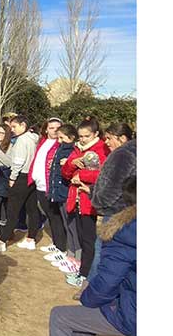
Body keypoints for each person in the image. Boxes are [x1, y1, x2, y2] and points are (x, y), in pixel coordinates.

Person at [48, 178, 135, 336]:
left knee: (59, 316)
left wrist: (87, 298)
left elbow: (108, 281)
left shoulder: (127, 233)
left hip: (133, 316)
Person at [85, 123, 136, 293]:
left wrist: (98, 201)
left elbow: (114, 185)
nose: (106, 142)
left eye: (109, 138)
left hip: (117, 212)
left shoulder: (124, 154)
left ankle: (94, 288)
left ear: (122, 138)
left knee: (104, 252)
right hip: (127, 209)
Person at [61, 118, 110, 288]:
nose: (82, 139)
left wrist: (80, 175)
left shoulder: (102, 149)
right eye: (80, 136)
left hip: (90, 200)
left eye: (86, 136)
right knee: (82, 237)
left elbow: (103, 173)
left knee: (89, 240)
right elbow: (66, 173)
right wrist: (71, 163)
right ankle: (83, 269)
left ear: (96, 134)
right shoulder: (77, 149)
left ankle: (86, 274)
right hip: (76, 200)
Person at [0, 115, 39, 252]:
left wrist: (12, 178)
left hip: (21, 176)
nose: (13, 130)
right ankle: (31, 238)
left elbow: (18, 162)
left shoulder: (22, 140)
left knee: (12, 210)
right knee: (32, 208)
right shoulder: (34, 138)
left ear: (23, 125)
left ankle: (2, 241)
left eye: (14, 127)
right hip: (31, 176)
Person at [28, 118, 67, 255]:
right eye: (51, 128)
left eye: (58, 127)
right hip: (40, 184)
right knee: (50, 215)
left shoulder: (61, 145)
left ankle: (61, 247)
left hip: (51, 186)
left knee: (55, 216)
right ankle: (57, 243)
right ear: (46, 129)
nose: (55, 130)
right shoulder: (42, 142)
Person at [45, 124, 81, 274]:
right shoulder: (61, 149)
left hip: (67, 193)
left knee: (72, 225)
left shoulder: (72, 151)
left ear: (71, 138)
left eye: (62, 137)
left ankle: (76, 256)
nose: (59, 140)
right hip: (59, 192)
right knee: (67, 223)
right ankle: (70, 253)